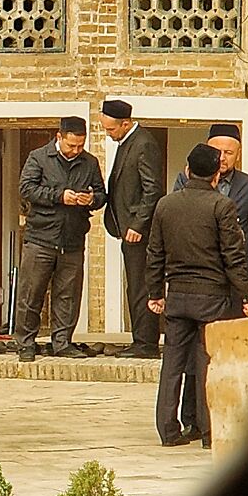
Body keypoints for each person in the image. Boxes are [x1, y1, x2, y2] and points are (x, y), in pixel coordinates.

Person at [145, 143, 248, 446]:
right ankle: (209, 432)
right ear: (216, 175)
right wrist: (246, 297)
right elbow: (234, 257)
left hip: (177, 295)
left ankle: (168, 430)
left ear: (187, 170)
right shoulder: (222, 206)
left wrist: (155, 292)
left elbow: (155, 254)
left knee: (172, 364)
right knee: (208, 363)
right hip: (212, 298)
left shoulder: (166, 205)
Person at [12, 115, 106, 361]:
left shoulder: (89, 162)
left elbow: (101, 193)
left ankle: (62, 342)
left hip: (73, 239)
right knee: (32, 293)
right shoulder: (39, 157)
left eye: (80, 146)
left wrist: (91, 199)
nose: (75, 150)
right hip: (41, 238)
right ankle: (26, 343)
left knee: (68, 295)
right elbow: (26, 189)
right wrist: (59, 196)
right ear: (59, 137)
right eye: (70, 145)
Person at [174, 123, 248, 311]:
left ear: (237, 155)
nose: (222, 158)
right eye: (217, 152)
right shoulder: (184, 181)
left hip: (236, 278)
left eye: (228, 153)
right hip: (199, 277)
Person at [100, 98, 165, 358]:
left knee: (141, 286)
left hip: (140, 232)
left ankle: (146, 343)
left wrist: (138, 223)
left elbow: (152, 189)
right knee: (134, 285)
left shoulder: (144, 144)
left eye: (111, 129)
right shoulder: (127, 142)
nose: (108, 133)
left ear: (125, 123)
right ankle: (139, 339)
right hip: (125, 228)